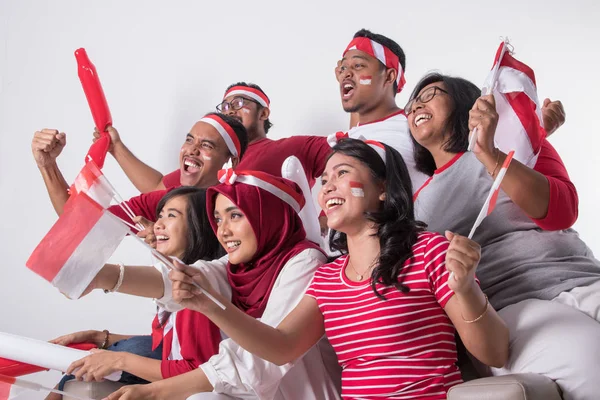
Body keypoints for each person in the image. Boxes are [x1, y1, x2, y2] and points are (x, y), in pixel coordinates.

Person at [116, 138, 509, 400]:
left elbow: (495, 351)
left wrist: (466, 289)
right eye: (324, 179)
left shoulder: (430, 252)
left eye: (342, 173)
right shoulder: (327, 279)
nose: (328, 186)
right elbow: (280, 345)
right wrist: (207, 304)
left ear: (384, 188)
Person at [407, 72, 600, 399]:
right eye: (412, 104)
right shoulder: (416, 206)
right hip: (510, 306)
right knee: (590, 358)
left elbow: (562, 210)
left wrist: (494, 155)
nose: (417, 106)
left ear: (466, 105)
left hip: (582, 278)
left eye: (432, 94)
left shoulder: (517, 146)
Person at [100, 172, 341, 400]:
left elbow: (263, 358)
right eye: (217, 219)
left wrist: (153, 392)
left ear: (267, 214)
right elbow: (184, 278)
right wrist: (101, 275)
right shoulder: (242, 266)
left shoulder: (306, 263)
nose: (222, 231)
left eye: (235, 215)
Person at [45, 187, 224, 399]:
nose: (158, 224)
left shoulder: (196, 286)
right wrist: (100, 337)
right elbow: (168, 344)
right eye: (160, 215)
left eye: (172, 216)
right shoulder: (183, 283)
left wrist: (120, 360)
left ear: (199, 227)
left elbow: (198, 373)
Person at [32, 112, 248, 242]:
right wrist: (47, 165)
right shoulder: (168, 200)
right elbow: (80, 223)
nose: (191, 150)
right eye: (189, 140)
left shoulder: (247, 203)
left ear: (231, 161)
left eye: (206, 145)